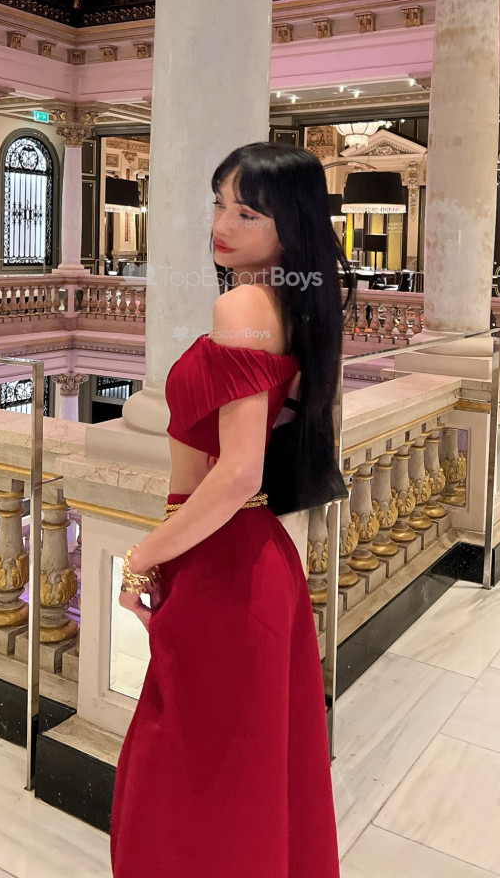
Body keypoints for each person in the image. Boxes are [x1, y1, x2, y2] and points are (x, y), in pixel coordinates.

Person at [110, 141, 350, 878]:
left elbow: (239, 472)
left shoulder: (242, 305)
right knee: (241, 784)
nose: (222, 225)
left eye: (247, 213)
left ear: (289, 225)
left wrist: (145, 554)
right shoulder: (292, 305)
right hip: (250, 562)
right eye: (219, 204)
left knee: (183, 784)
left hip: (222, 565)